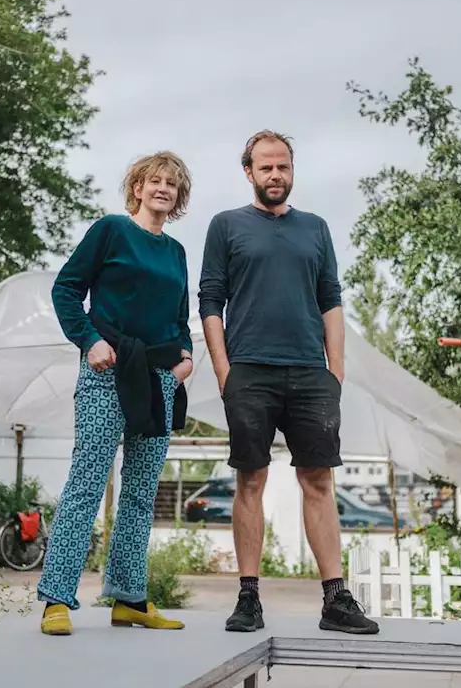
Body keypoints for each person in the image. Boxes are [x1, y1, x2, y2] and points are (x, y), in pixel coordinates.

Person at [199, 130, 378, 635]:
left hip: (310, 373)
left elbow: (331, 299)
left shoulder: (315, 229)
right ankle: (249, 598)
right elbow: (210, 300)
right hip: (248, 371)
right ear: (249, 172)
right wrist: (224, 370)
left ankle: (335, 600)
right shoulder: (226, 226)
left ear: (292, 170)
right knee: (250, 480)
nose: (275, 175)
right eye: (265, 167)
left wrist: (334, 371)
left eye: (283, 167)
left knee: (318, 480)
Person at [36, 151, 195, 636]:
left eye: (172, 183)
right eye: (155, 181)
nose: (163, 188)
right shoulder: (110, 230)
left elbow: (179, 318)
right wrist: (89, 341)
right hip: (108, 369)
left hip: (159, 377)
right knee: (88, 479)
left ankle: (130, 598)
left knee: (143, 490)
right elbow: (66, 290)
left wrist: (186, 357)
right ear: (138, 187)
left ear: (178, 196)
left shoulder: (176, 252)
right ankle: (56, 599)